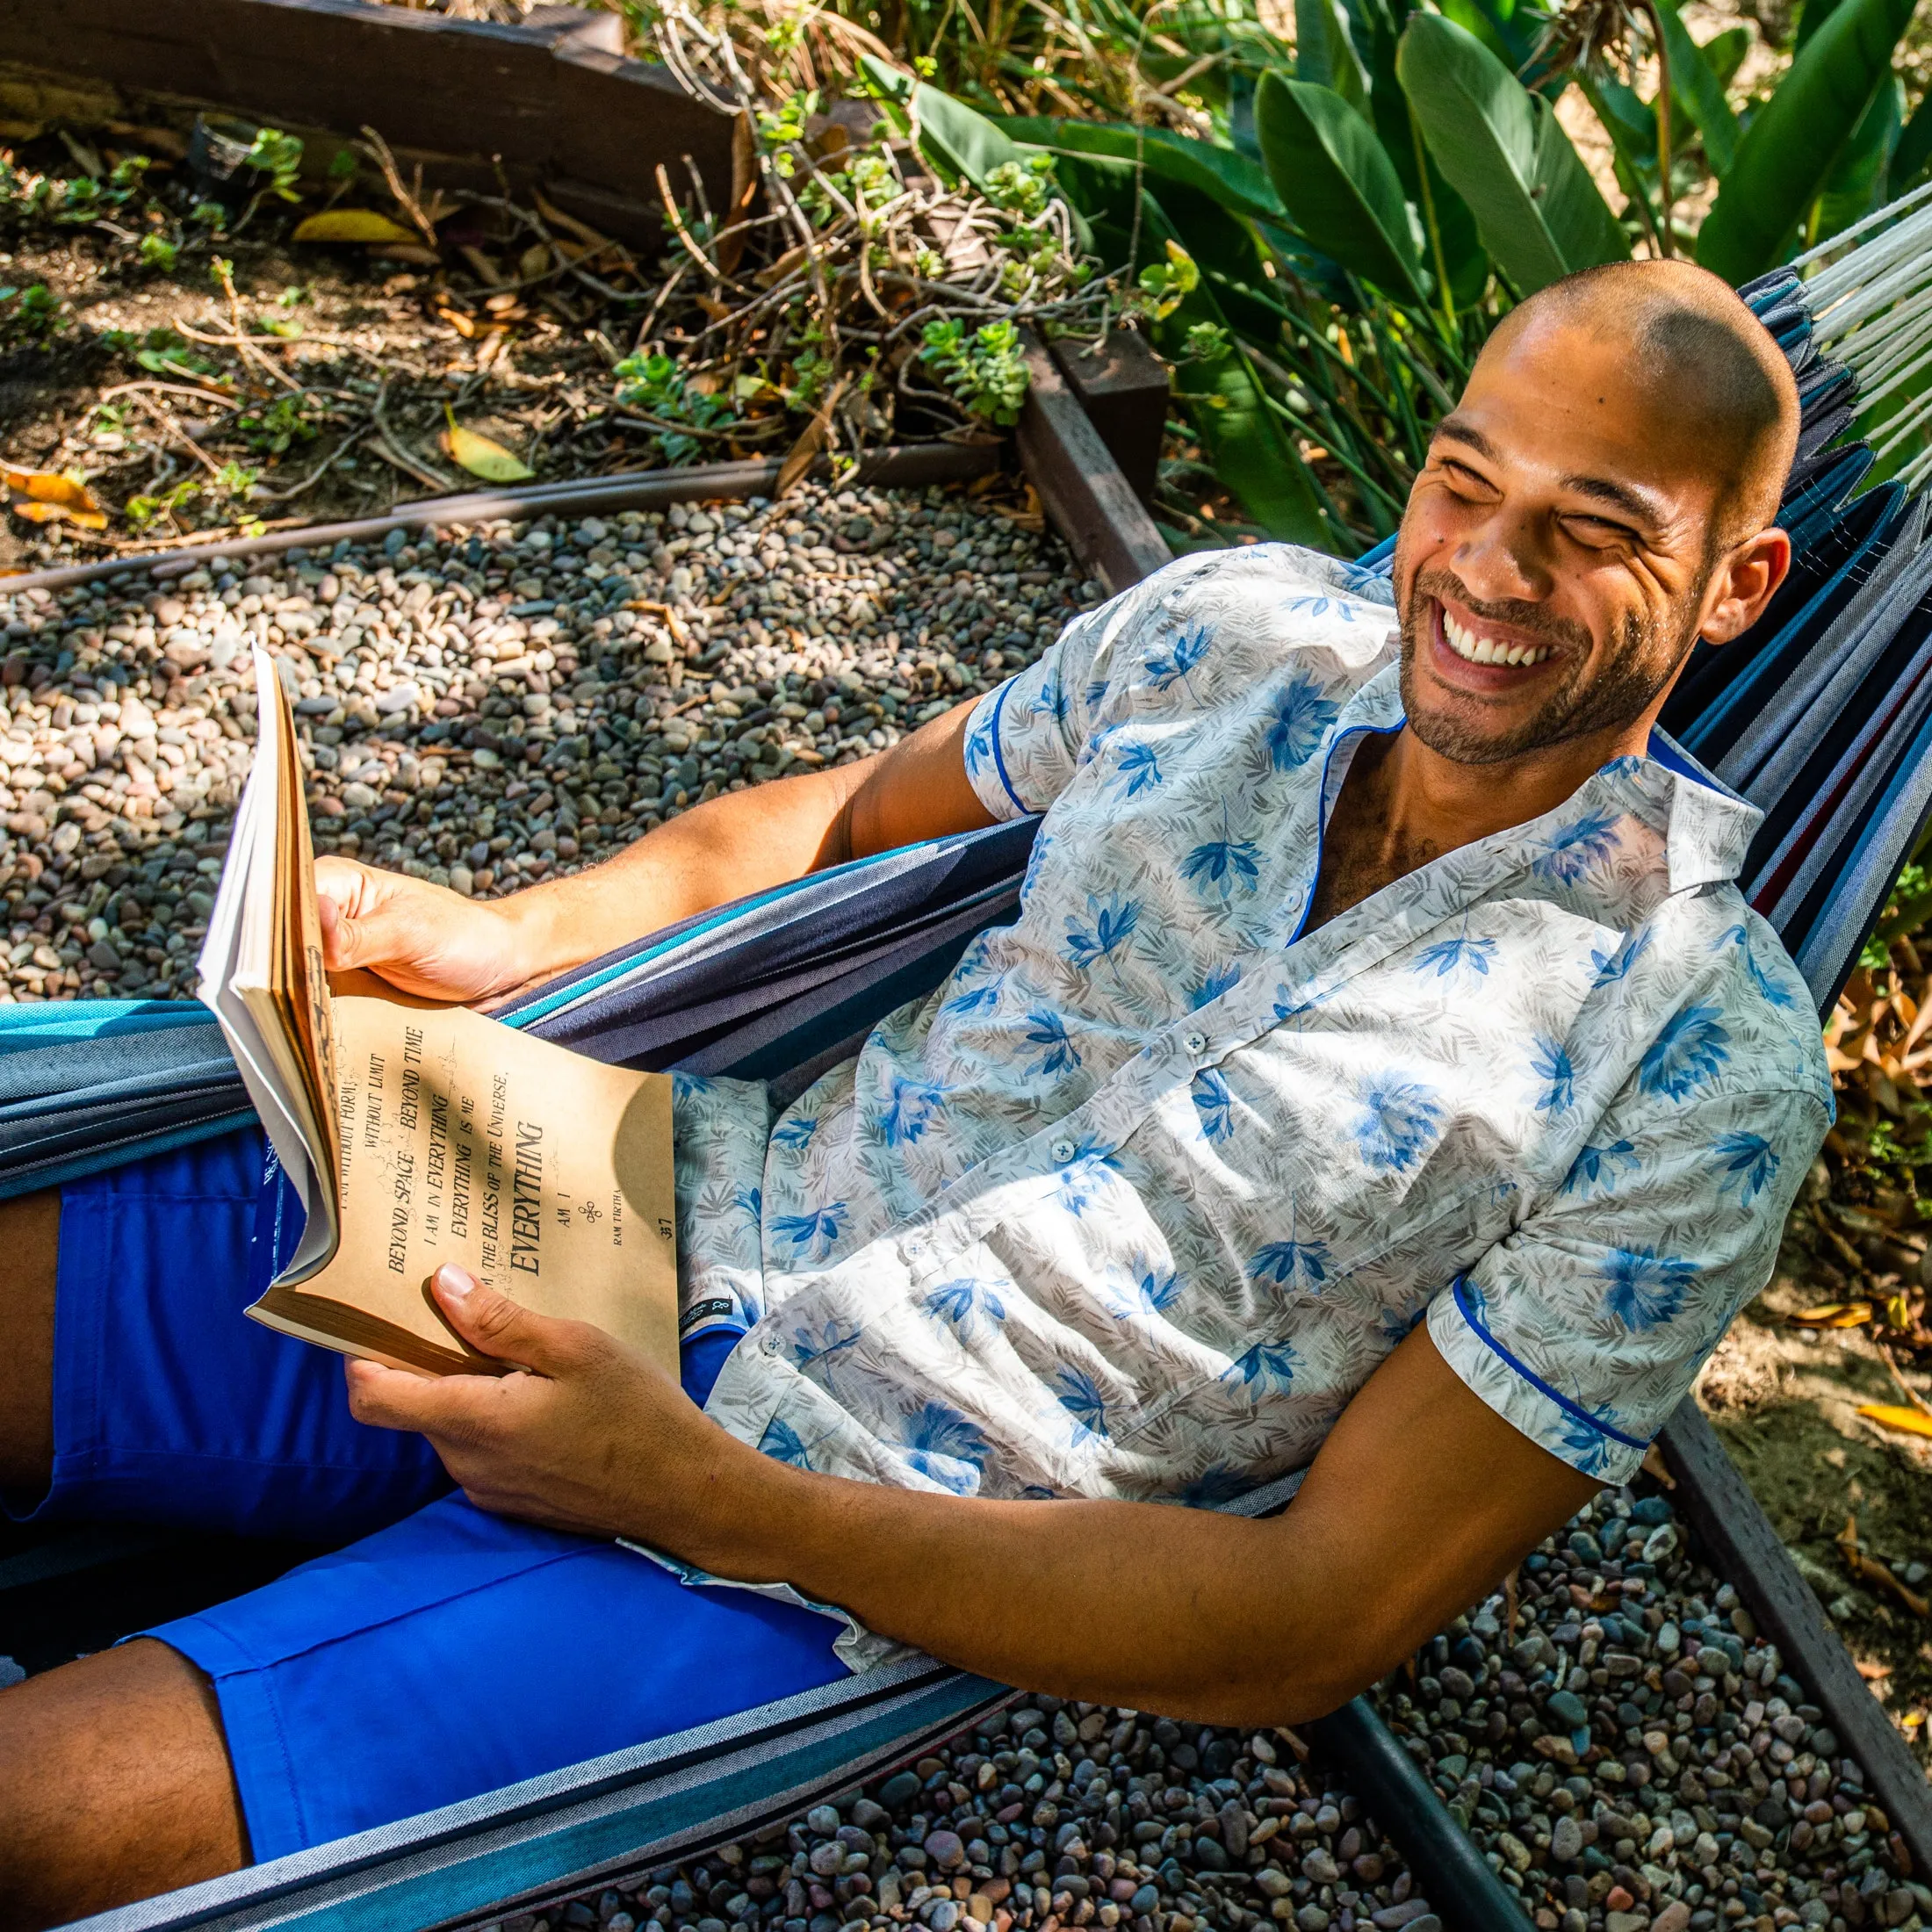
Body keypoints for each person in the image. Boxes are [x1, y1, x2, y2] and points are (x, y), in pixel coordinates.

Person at [0, 256, 1830, 1928]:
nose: (1486, 571)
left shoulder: (1692, 1069)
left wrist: (712, 1496)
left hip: (821, 1529)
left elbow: (1314, 1613)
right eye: (1461, 480)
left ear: (1739, 583)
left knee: (31, 1816)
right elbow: (846, 818)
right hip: (613, 1205)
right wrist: (523, 930)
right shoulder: (1229, 638)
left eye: (1590, 533)